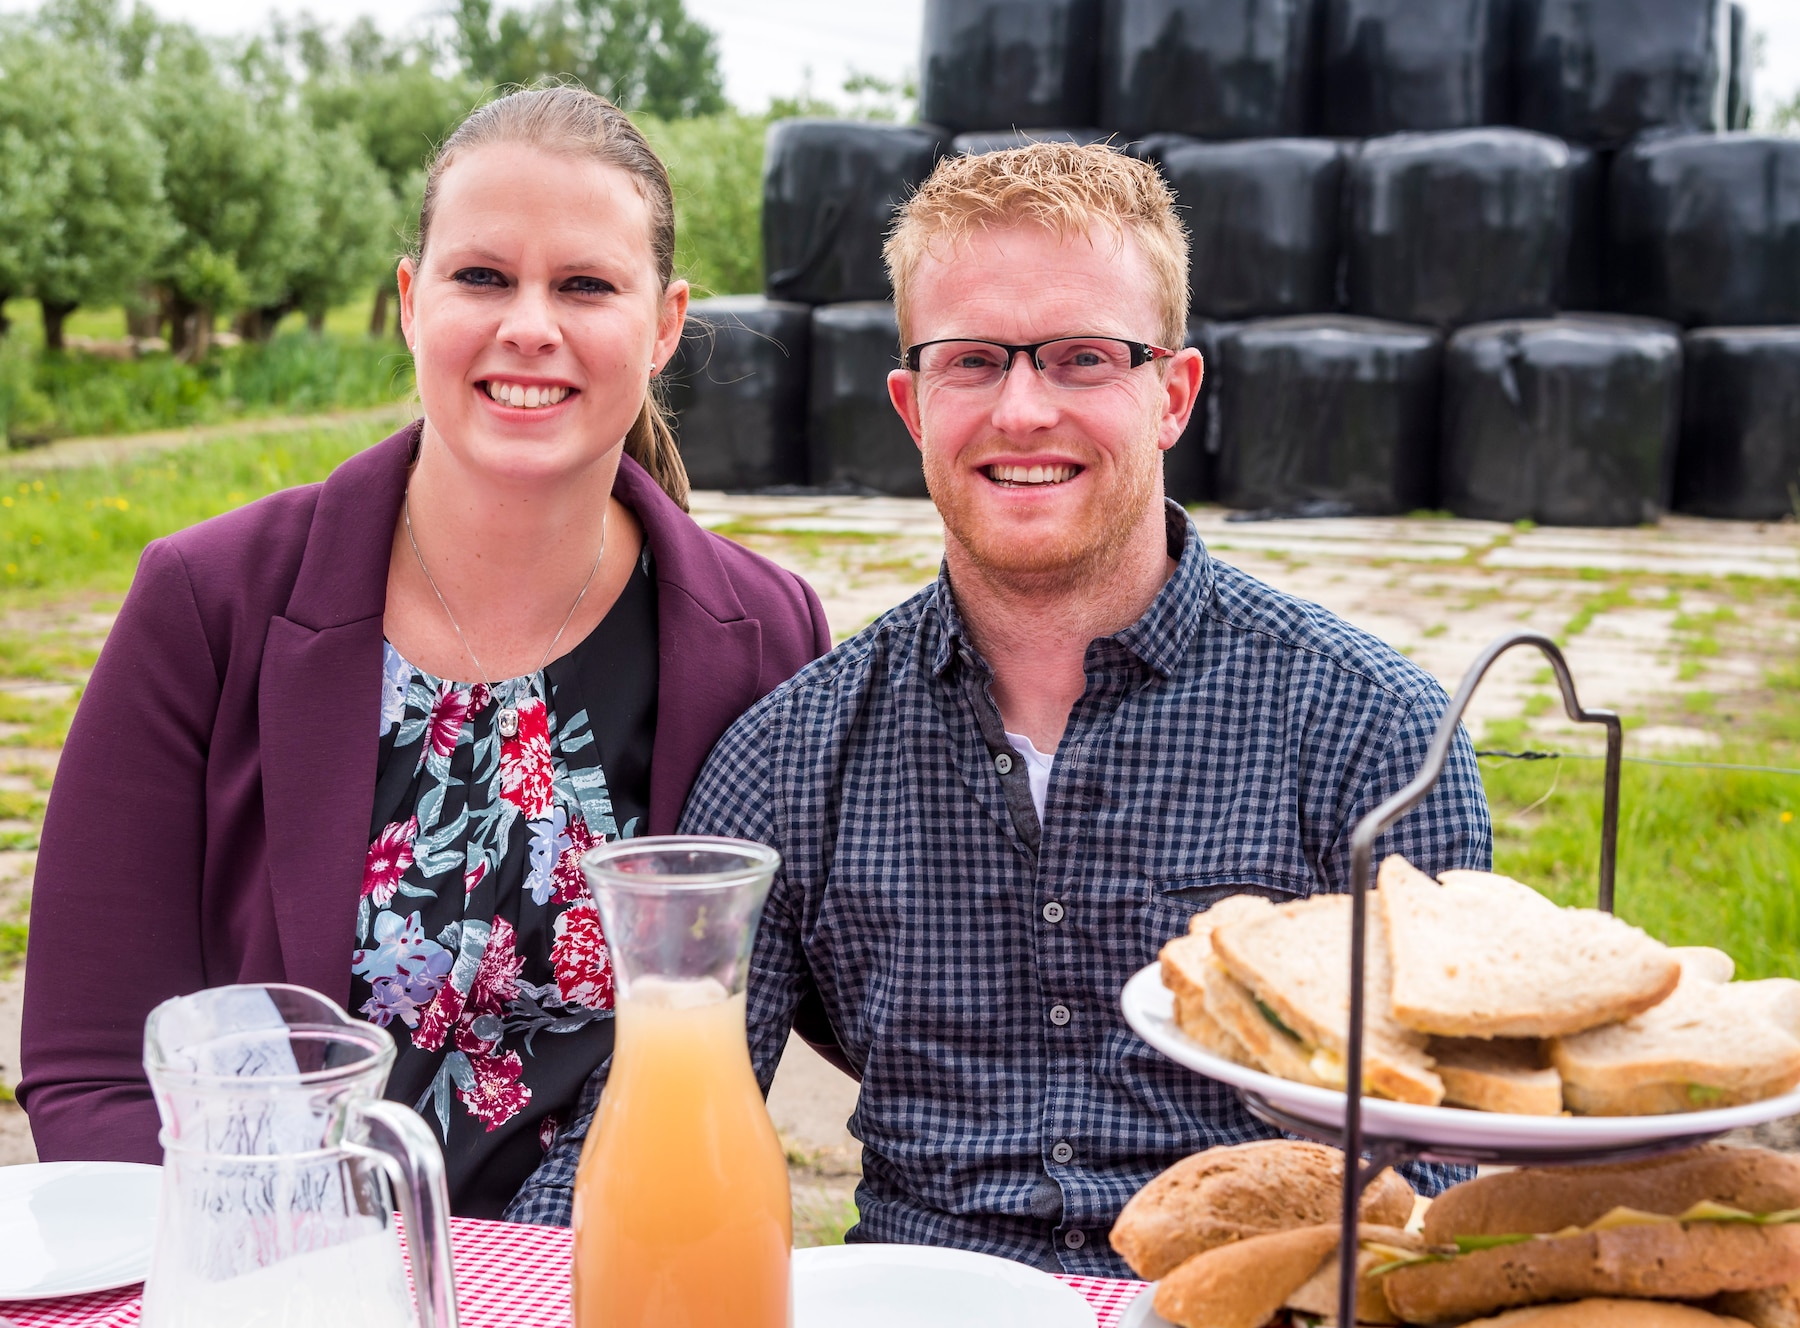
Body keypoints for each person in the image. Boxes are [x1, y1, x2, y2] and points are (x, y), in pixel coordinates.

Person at [511, 141, 1492, 1262]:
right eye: (972, 360)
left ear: (1171, 394)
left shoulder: (1373, 734)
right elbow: (656, 1125)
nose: (1023, 410)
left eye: (1082, 358)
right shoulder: (792, 757)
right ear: (912, 403)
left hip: (1260, 1309)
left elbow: (1444, 1174)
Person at [19, 86, 830, 1219]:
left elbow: (816, 1003)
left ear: (664, 324)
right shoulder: (205, 601)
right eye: (482, 277)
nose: (529, 326)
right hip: (278, 1294)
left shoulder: (764, 636)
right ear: (412, 301)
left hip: (597, 1285)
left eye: (585, 284)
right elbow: (94, 1066)